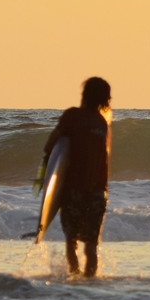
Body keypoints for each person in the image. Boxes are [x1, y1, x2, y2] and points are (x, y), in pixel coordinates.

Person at [43, 77, 112, 277]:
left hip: (74, 191)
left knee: (71, 242)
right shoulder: (102, 123)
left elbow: (52, 143)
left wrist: (46, 165)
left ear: (84, 94)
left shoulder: (72, 116)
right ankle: (90, 283)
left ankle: (74, 279)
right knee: (91, 247)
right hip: (99, 192)